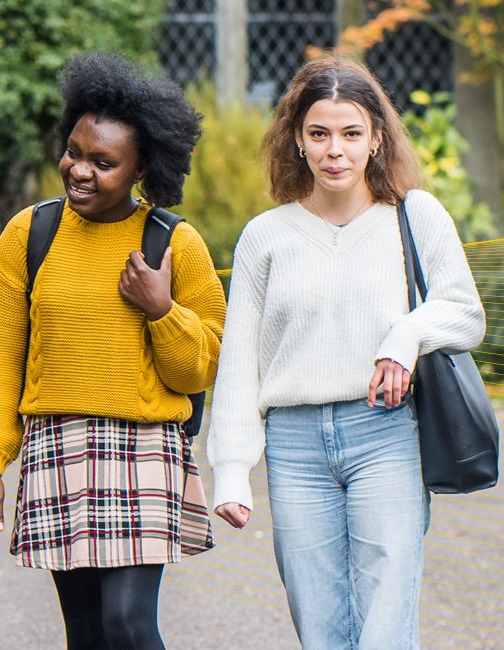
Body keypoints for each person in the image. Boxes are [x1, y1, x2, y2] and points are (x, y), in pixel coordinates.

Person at [204, 56, 485, 649]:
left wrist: (405, 338)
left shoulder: (415, 216)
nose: (336, 150)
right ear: (297, 142)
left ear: (377, 139)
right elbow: (240, 365)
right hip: (294, 447)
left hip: (386, 434)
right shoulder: (265, 236)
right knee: (321, 628)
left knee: (385, 626)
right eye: (320, 134)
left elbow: (465, 313)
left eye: (352, 133)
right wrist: (231, 469)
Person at [0, 52, 224, 650]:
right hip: (57, 445)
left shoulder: (173, 242)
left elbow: (201, 367)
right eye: (74, 152)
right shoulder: (30, 234)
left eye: (104, 163)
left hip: (143, 449)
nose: (80, 170)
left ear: (141, 169)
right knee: (85, 634)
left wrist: (162, 310)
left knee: (127, 625)